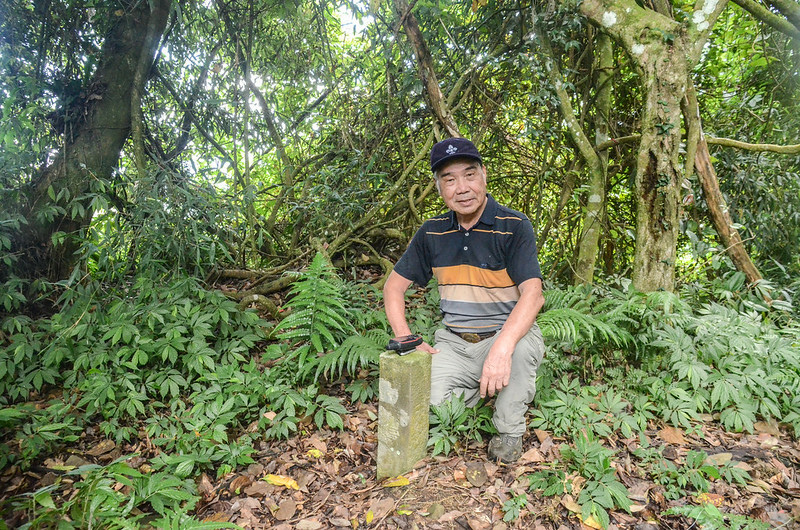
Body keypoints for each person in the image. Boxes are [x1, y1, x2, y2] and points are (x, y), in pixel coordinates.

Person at [383, 137, 546, 463]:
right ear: (439, 188)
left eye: (469, 175)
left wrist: (502, 348)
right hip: (454, 342)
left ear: (484, 174)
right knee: (429, 404)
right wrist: (406, 337)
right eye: (450, 180)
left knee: (521, 349)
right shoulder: (432, 232)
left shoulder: (513, 226)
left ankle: (508, 428)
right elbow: (393, 288)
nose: (462, 188)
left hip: (504, 335)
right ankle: (487, 392)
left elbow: (534, 294)